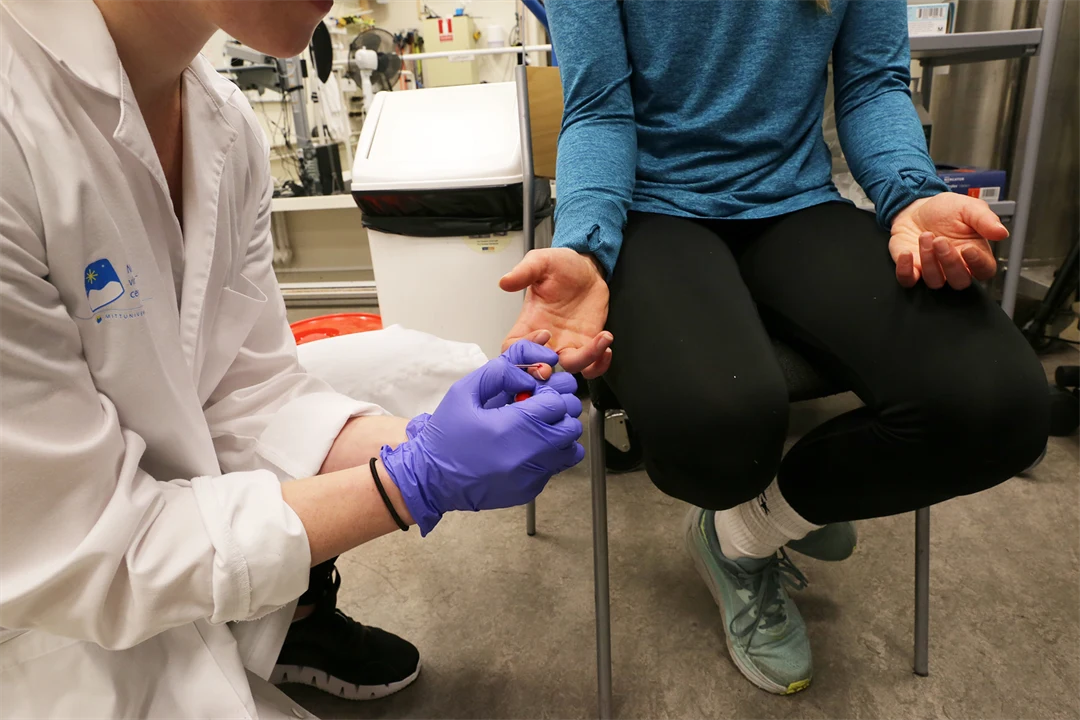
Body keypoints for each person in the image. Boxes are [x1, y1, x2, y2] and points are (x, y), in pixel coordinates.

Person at [0, 1, 584, 717]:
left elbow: (247, 387)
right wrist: (409, 483)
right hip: (44, 620)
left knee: (419, 367)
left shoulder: (224, 124)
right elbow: (84, 552)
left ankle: (290, 625)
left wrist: (430, 442)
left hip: (132, 541)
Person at [501, 0, 1050, 695]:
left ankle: (743, 537)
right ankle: (757, 513)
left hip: (795, 204)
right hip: (651, 208)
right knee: (719, 430)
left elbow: (870, 84)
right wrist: (584, 242)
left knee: (998, 404)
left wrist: (909, 194)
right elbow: (600, 111)